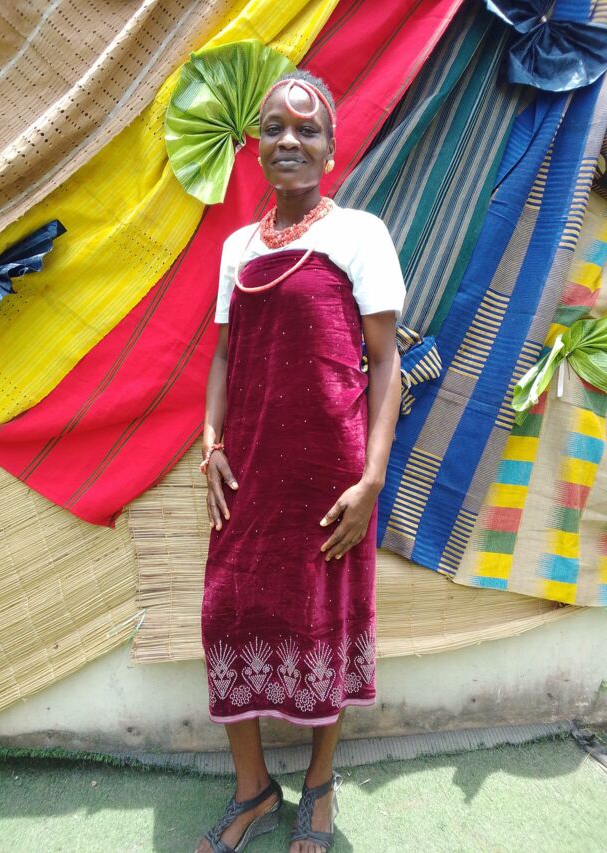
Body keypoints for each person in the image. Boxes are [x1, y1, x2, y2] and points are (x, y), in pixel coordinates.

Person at [196, 69, 405, 853]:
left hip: (332, 478)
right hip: (248, 472)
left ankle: (319, 785)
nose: (290, 139)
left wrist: (371, 479)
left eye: (306, 128)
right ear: (256, 146)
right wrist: (210, 438)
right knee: (227, 614)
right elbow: (224, 355)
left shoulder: (361, 234)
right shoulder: (237, 247)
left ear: (330, 148)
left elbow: (386, 363)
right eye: (275, 128)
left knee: (325, 622)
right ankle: (253, 789)